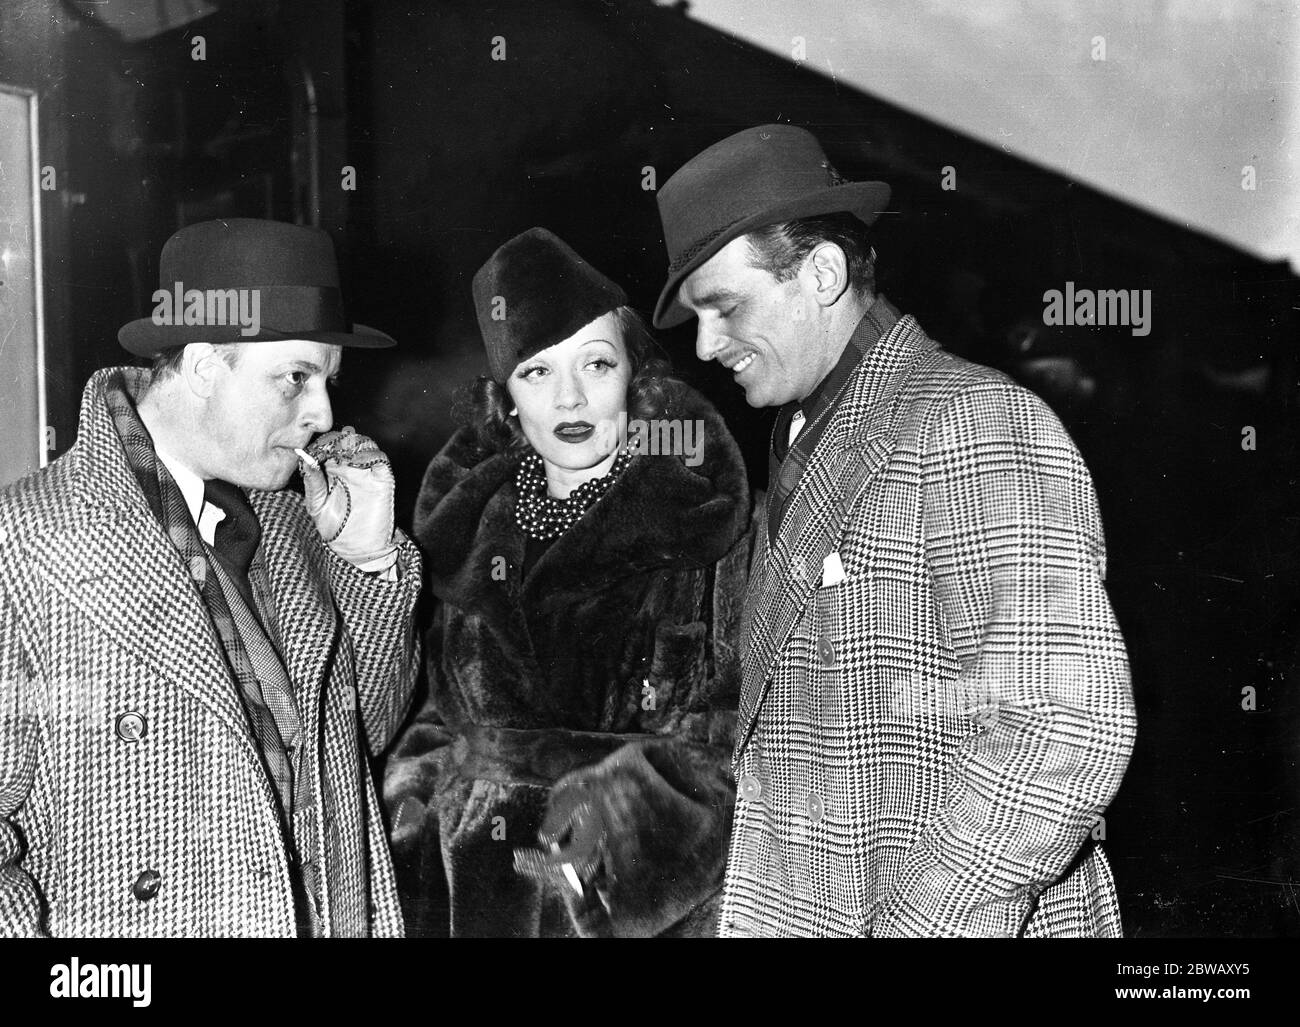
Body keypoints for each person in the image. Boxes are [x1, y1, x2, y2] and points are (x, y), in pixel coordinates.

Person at [651, 125, 1138, 937]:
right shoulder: (807, 436)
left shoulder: (970, 421)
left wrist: (919, 924)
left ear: (825, 272)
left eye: (725, 307)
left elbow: (1066, 725)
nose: (704, 346)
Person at [0, 218, 421, 936]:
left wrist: (370, 559)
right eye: (295, 377)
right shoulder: (33, 538)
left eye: (327, 381)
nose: (321, 414)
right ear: (201, 365)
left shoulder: (294, 524)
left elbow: (370, 733)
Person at [382, 227, 753, 937]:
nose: (572, 397)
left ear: (634, 376)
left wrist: (590, 851)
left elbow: (738, 739)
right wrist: (412, 814)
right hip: (467, 902)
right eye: (538, 372)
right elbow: (437, 713)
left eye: (596, 363)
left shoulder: (702, 525)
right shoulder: (467, 532)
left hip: (625, 910)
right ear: (507, 400)